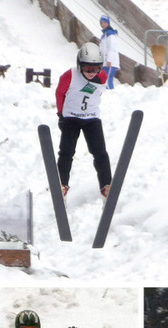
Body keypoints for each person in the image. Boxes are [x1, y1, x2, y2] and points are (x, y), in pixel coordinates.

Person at [56, 42, 112, 200]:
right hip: (71, 118)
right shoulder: (69, 75)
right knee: (66, 152)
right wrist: (61, 114)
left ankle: (106, 185)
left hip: (91, 118)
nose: (91, 73)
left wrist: (89, 110)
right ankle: (62, 184)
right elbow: (60, 93)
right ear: (79, 65)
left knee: (100, 152)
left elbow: (97, 94)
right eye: (87, 68)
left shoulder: (102, 77)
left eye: (95, 69)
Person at [99, 14, 120, 90]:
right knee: (104, 80)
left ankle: (111, 95)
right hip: (105, 62)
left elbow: (112, 48)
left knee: (107, 79)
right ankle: (107, 95)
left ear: (108, 23)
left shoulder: (111, 35)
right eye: (101, 23)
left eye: (104, 22)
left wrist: (109, 60)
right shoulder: (104, 35)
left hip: (110, 62)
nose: (103, 24)